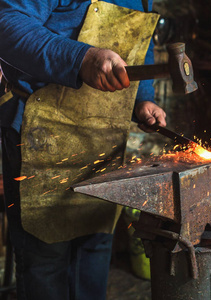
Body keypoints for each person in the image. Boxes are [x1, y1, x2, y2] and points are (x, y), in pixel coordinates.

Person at [0, 0, 166, 299]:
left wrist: (143, 99)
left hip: (102, 135)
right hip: (42, 134)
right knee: (45, 260)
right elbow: (7, 23)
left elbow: (139, 44)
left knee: (94, 247)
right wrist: (81, 59)